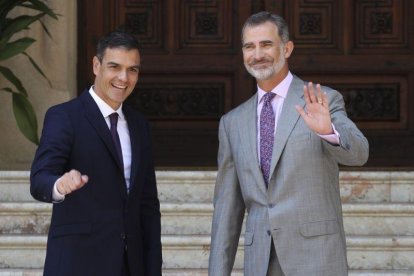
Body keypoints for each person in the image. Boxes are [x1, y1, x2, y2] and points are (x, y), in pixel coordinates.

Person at [208, 11, 369, 276]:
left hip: (316, 259)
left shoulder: (321, 100)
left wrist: (328, 131)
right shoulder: (232, 123)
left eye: (266, 44)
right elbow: (226, 209)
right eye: (250, 46)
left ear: (287, 47)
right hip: (260, 262)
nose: (257, 54)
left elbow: (360, 153)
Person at [30, 30, 162, 276]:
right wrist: (59, 185)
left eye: (132, 69)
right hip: (77, 263)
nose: (124, 77)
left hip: (131, 265)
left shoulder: (139, 125)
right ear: (96, 65)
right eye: (115, 67)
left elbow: (148, 206)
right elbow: (40, 179)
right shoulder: (64, 116)